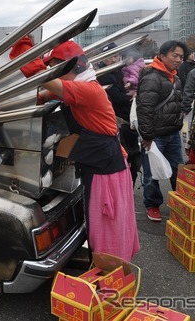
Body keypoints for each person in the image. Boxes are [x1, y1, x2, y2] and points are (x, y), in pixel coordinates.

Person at [38, 41, 140, 261]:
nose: (53, 73)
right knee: (98, 222)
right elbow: (45, 95)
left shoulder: (87, 90)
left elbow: (44, 80)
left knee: (107, 223)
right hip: (100, 162)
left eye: (56, 68)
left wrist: (27, 57)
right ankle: (104, 269)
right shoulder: (82, 86)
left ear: (70, 67)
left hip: (106, 168)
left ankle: (110, 276)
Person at [136, 40, 187, 222]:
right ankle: (152, 204)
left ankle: (181, 201)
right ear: (163, 55)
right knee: (151, 173)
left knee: (178, 170)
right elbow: (145, 109)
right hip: (155, 136)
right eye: (175, 55)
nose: (179, 59)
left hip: (173, 133)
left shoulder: (176, 77)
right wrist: (148, 136)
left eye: (181, 56)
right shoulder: (152, 77)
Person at [96, 43, 142, 186]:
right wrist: (133, 96)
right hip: (116, 122)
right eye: (113, 56)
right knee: (124, 158)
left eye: (118, 55)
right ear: (104, 58)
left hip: (125, 121)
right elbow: (116, 98)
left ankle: (127, 187)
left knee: (130, 158)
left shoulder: (119, 71)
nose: (116, 59)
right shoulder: (104, 75)